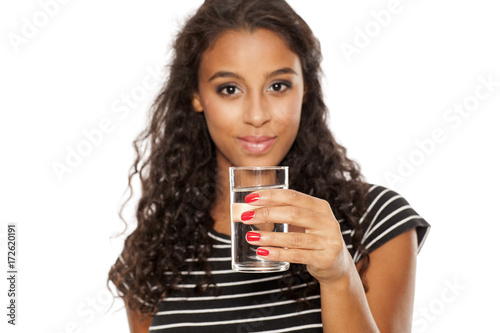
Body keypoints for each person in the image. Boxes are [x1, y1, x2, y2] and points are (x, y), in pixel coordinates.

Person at [108, 0, 430, 332]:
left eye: (278, 86)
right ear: (197, 95)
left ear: (305, 89)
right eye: (229, 89)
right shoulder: (151, 252)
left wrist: (338, 275)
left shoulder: (373, 221)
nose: (258, 114)